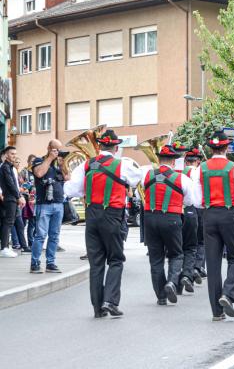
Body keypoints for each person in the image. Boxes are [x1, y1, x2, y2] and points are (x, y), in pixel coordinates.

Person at [64, 130, 142, 317]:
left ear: (99, 146)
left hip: (91, 216)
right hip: (112, 215)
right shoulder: (122, 165)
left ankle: (98, 308)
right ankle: (110, 301)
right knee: (116, 259)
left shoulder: (85, 165)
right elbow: (136, 178)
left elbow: (71, 190)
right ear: (116, 148)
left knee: (96, 262)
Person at [191, 130, 234, 320]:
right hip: (228, 214)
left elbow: (196, 200)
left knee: (213, 263)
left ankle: (216, 312)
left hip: (208, 215)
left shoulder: (200, 169)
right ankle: (228, 293)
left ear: (211, 147)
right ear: (227, 147)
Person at [142, 144, 193, 306]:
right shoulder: (182, 178)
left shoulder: (147, 175)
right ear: (173, 162)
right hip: (172, 218)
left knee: (156, 259)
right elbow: (190, 201)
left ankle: (161, 296)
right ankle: (171, 282)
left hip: (150, 218)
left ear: (158, 159)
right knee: (176, 254)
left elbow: (141, 193)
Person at [30, 140, 69, 272]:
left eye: (58, 150)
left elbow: (68, 178)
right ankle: (35, 263)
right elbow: (39, 173)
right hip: (44, 204)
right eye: (54, 149)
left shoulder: (58, 164)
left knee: (54, 236)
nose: (57, 152)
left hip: (58, 204)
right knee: (40, 235)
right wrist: (50, 158)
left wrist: (63, 165)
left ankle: (50, 263)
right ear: (48, 148)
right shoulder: (38, 161)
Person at [180, 148, 204, 291]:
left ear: (185, 161)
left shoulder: (179, 174)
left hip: (181, 209)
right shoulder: (199, 172)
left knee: (185, 243)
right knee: (199, 241)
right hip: (197, 208)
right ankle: (196, 267)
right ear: (198, 161)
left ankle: (185, 270)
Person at [0, 147, 26, 258]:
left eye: (15, 153)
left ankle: (5, 246)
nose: (14, 155)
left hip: (12, 198)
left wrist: (19, 197)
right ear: (6, 155)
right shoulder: (5, 167)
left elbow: (14, 184)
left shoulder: (10, 167)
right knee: (8, 222)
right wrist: (19, 196)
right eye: (11, 153)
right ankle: (4, 248)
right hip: (10, 198)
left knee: (10, 222)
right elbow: (10, 184)